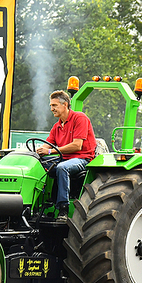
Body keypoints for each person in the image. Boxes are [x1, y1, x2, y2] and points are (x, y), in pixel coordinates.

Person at [36, 90, 96, 219]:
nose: (52, 109)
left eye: (54, 105)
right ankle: (41, 205)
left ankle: (63, 208)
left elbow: (77, 145)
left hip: (82, 158)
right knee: (39, 164)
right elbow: (47, 144)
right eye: (51, 106)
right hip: (64, 158)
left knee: (62, 168)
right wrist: (37, 152)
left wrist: (50, 151)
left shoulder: (80, 118)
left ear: (65, 105)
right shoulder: (57, 126)